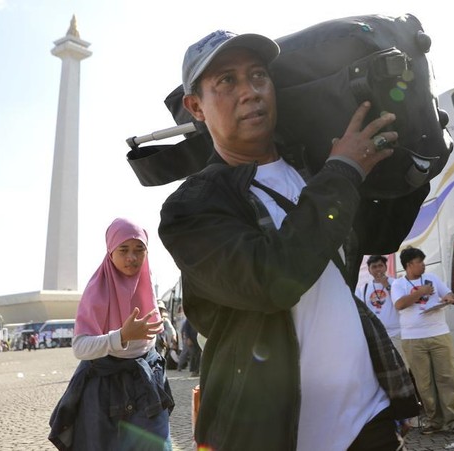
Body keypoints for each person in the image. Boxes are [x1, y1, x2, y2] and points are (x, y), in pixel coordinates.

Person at [158, 30, 418, 451]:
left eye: (258, 75)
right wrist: (344, 173)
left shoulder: (313, 167)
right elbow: (270, 280)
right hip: (274, 436)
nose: (250, 91)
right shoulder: (191, 207)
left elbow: (378, 239)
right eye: (227, 81)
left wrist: (409, 156)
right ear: (195, 107)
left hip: (368, 421)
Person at [49, 218, 175, 451]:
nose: (132, 258)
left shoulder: (146, 280)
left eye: (140, 250)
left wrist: (165, 321)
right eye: (123, 250)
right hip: (106, 388)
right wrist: (121, 336)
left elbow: (153, 313)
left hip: (147, 381)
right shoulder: (96, 291)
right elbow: (80, 347)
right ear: (110, 252)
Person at [391, 247, 454, 436]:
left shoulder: (433, 278)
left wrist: (448, 299)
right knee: (424, 383)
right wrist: (420, 292)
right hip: (413, 339)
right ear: (409, 265)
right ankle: (434, 420)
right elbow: (399, 304)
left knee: (447, 378)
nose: (424, 265)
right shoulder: (398, 284)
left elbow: (448, 294)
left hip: (439, 334)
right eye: (420, 262)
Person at [355, 255, 404, 363]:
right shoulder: (364, 289)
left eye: (380, 266)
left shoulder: (397, 283)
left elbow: (400, 302)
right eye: (374, 267)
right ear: (369, 270)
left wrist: (386, 285)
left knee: (402, 365)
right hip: (377, 335)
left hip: (397, 333)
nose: (378, 269)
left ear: (385, 267)